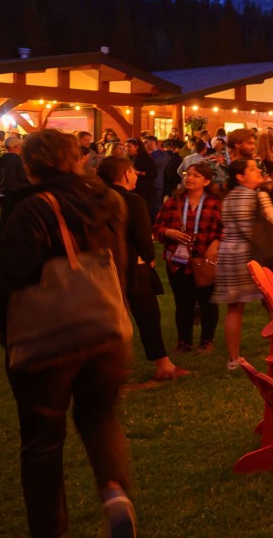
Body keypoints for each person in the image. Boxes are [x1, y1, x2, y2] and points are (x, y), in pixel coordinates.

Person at [0, 129, 137, 538]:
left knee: (42, 443)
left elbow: (15, 280)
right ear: (75, 158)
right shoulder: (109, 200)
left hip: (48, 342)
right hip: (106, 328)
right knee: (100, 414)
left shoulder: (31, 209)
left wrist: (5, 332)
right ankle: (113, 491)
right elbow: (116, 264)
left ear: (30, 164)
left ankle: (49, 530)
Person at [97, 157, 187, 383]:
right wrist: (149, 258)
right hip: (132, 266)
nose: (137, 175)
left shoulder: (94, 199)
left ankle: (113, 368)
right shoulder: (132, 200)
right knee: (147, 314)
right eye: (134, 171)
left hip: (101, 267)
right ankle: (163, 365)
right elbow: (142, 236)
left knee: (112, 318)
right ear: (126, 174)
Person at [214, 158, 273, 369]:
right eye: (252, 169)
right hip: (255, 255)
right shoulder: (257, 196)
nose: (258, 170)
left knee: (234, 307)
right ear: (240, 177)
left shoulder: (229, 197)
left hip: (229, 254)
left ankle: (233, 359)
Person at [156, 163, 221, 354]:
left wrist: (216, 243)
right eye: (188, 174)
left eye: (196, 176)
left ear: (207, 181)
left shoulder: (214, 203)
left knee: (208, 302)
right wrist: (169, 232)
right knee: (182, 303)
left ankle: (207, 340)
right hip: (178, 263)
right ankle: (184, 341)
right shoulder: (173, 202)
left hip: (204, 261)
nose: (190, 178)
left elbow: (226, 229)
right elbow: (157, 227)